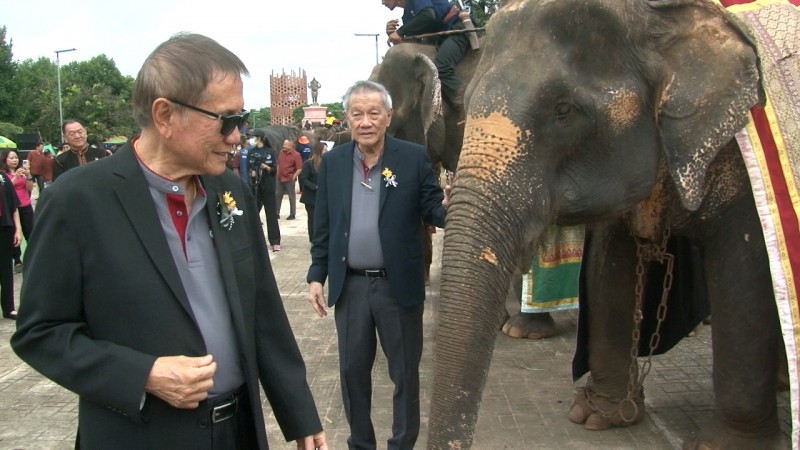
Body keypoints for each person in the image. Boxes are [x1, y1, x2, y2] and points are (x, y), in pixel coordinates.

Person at [11, 33, 327, 450]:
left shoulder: (228, 190)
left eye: (242, 119)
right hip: (140, 437)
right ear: (164, 115)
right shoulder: (77, 201)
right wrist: (143, 374)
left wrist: (299, 413)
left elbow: (262, 309)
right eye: (227, 119)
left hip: (237, 432)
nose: (237, 136)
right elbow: (40, 332)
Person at [307, 80, 447, 450]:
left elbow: (433, 207)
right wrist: (315, 276)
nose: (365, 121)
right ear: (348, 120)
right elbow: (323, 226)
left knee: (403, 374)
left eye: (373, 113)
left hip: (397, 287)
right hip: (350, 287)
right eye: (357, 114)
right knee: (352, 372)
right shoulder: (335, 162)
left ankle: (402, 444)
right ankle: (361, 444)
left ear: (388, 116)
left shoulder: (412, 157)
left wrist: (454, 204)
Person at [383, 0, 470, 114]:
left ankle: (466, 107)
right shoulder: (408, 16)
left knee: (442, 67)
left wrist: (400, 32)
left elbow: (428, 15)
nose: (382, 2)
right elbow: (414, 44)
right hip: (440, 40)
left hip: (456, 29)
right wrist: (393, 35)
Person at [1, 150, 34, 273]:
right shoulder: (3, 175)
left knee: (30, 231)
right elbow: (6, 189)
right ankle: (17, 259)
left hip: (25, 205)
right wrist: (16, 177)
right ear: (5, 160)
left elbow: (30, 188)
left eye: (16, 158)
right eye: (11, 158)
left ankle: (32, 257)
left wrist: (28, 176)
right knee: (15, 234)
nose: (14, 160)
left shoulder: (22, 171)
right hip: (12, 208)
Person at [248, 129, 282, 252]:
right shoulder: (251, 152)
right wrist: (252, 173)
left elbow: (274, 170)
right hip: (255, 187)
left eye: (254, 137)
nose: (252, 139)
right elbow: (248, 167)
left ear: (260, 138)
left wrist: (265, 167)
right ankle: (253, 241)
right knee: (253, 214)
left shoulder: (270, 152)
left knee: (271, 214)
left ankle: (275, 241)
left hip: (268, 186)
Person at [0, 167, 22, 320]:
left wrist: (18, 229)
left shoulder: (2, 177)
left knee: (5, 269)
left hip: (4, 227)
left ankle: (8, 308)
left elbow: (13, 206)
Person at [299, 141, 326, 242]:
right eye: (324, 150)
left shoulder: (325, 163)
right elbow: (303, 179)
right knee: (312, 219)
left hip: (322, 196)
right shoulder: (308, 164)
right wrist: (315, 187)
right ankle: (313, 239)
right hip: (311, 197)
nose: (326, 152)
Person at [276, 138, 303, 220]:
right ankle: (276, 213)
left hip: (289, 178)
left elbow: (299, 168)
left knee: (291, 197)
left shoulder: (296, 155)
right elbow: (278, 164)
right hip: (279, 178)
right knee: (277, 195)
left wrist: (294, 177)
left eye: (285, 145)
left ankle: (292, 214)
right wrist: (277, 173)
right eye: (283, 144)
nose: (283, 146)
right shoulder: (281, 152)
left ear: (291, 146)